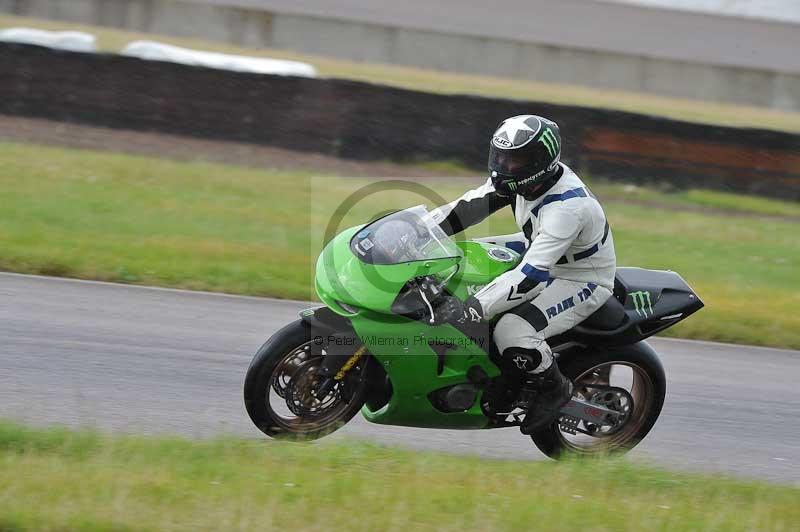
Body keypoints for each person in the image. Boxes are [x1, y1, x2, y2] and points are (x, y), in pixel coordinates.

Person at [429, 114, 616, 434]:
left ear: (540, 162)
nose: (503, 166)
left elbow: (531, 276)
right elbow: (462, 211)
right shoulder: (520, 179)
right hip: (537, 247)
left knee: (512, 330)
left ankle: (553, 387)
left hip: (578, 276)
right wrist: (415, 233)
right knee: (458, 258)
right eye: (499, 157)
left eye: (514, 160)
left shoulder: (567, 208)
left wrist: (474, 308)